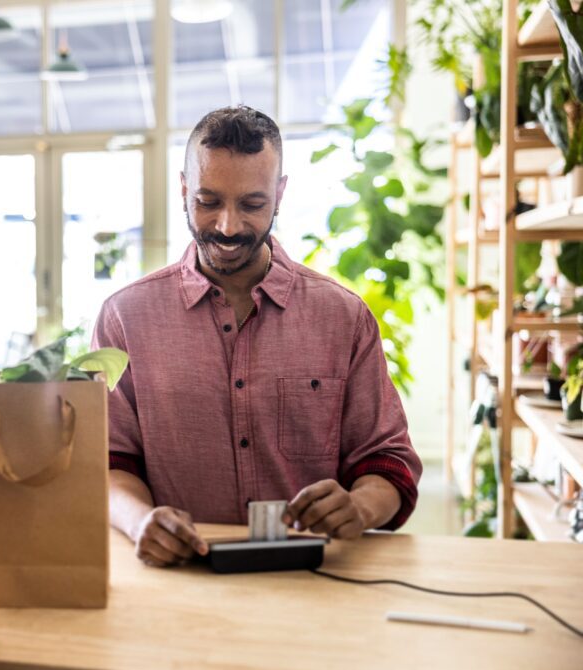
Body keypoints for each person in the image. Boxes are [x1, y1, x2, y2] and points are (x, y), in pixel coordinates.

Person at [92, 105, 422, 567]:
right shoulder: (125, 318)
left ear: (280, 193)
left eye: (251, 204)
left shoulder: (343, 318)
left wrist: (360, 507)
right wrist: (138, 520)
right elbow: (109, 461)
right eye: (208, 202)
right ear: (183, 188)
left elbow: (388, 463)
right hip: (182, 576)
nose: (228, 227)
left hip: (314, 579)